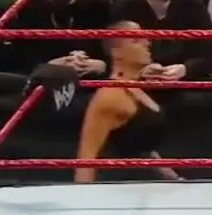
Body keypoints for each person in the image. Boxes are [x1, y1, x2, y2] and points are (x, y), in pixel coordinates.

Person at [74, 21, 183, 183]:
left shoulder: (135, 89)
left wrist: (174, 178)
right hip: (119, 188)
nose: (147, 43)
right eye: (135, 40)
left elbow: (141, 147)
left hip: (146, 186)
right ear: (116, 52)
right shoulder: (110, 96)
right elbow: (86, 157)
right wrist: (83, 196)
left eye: (145, 38)